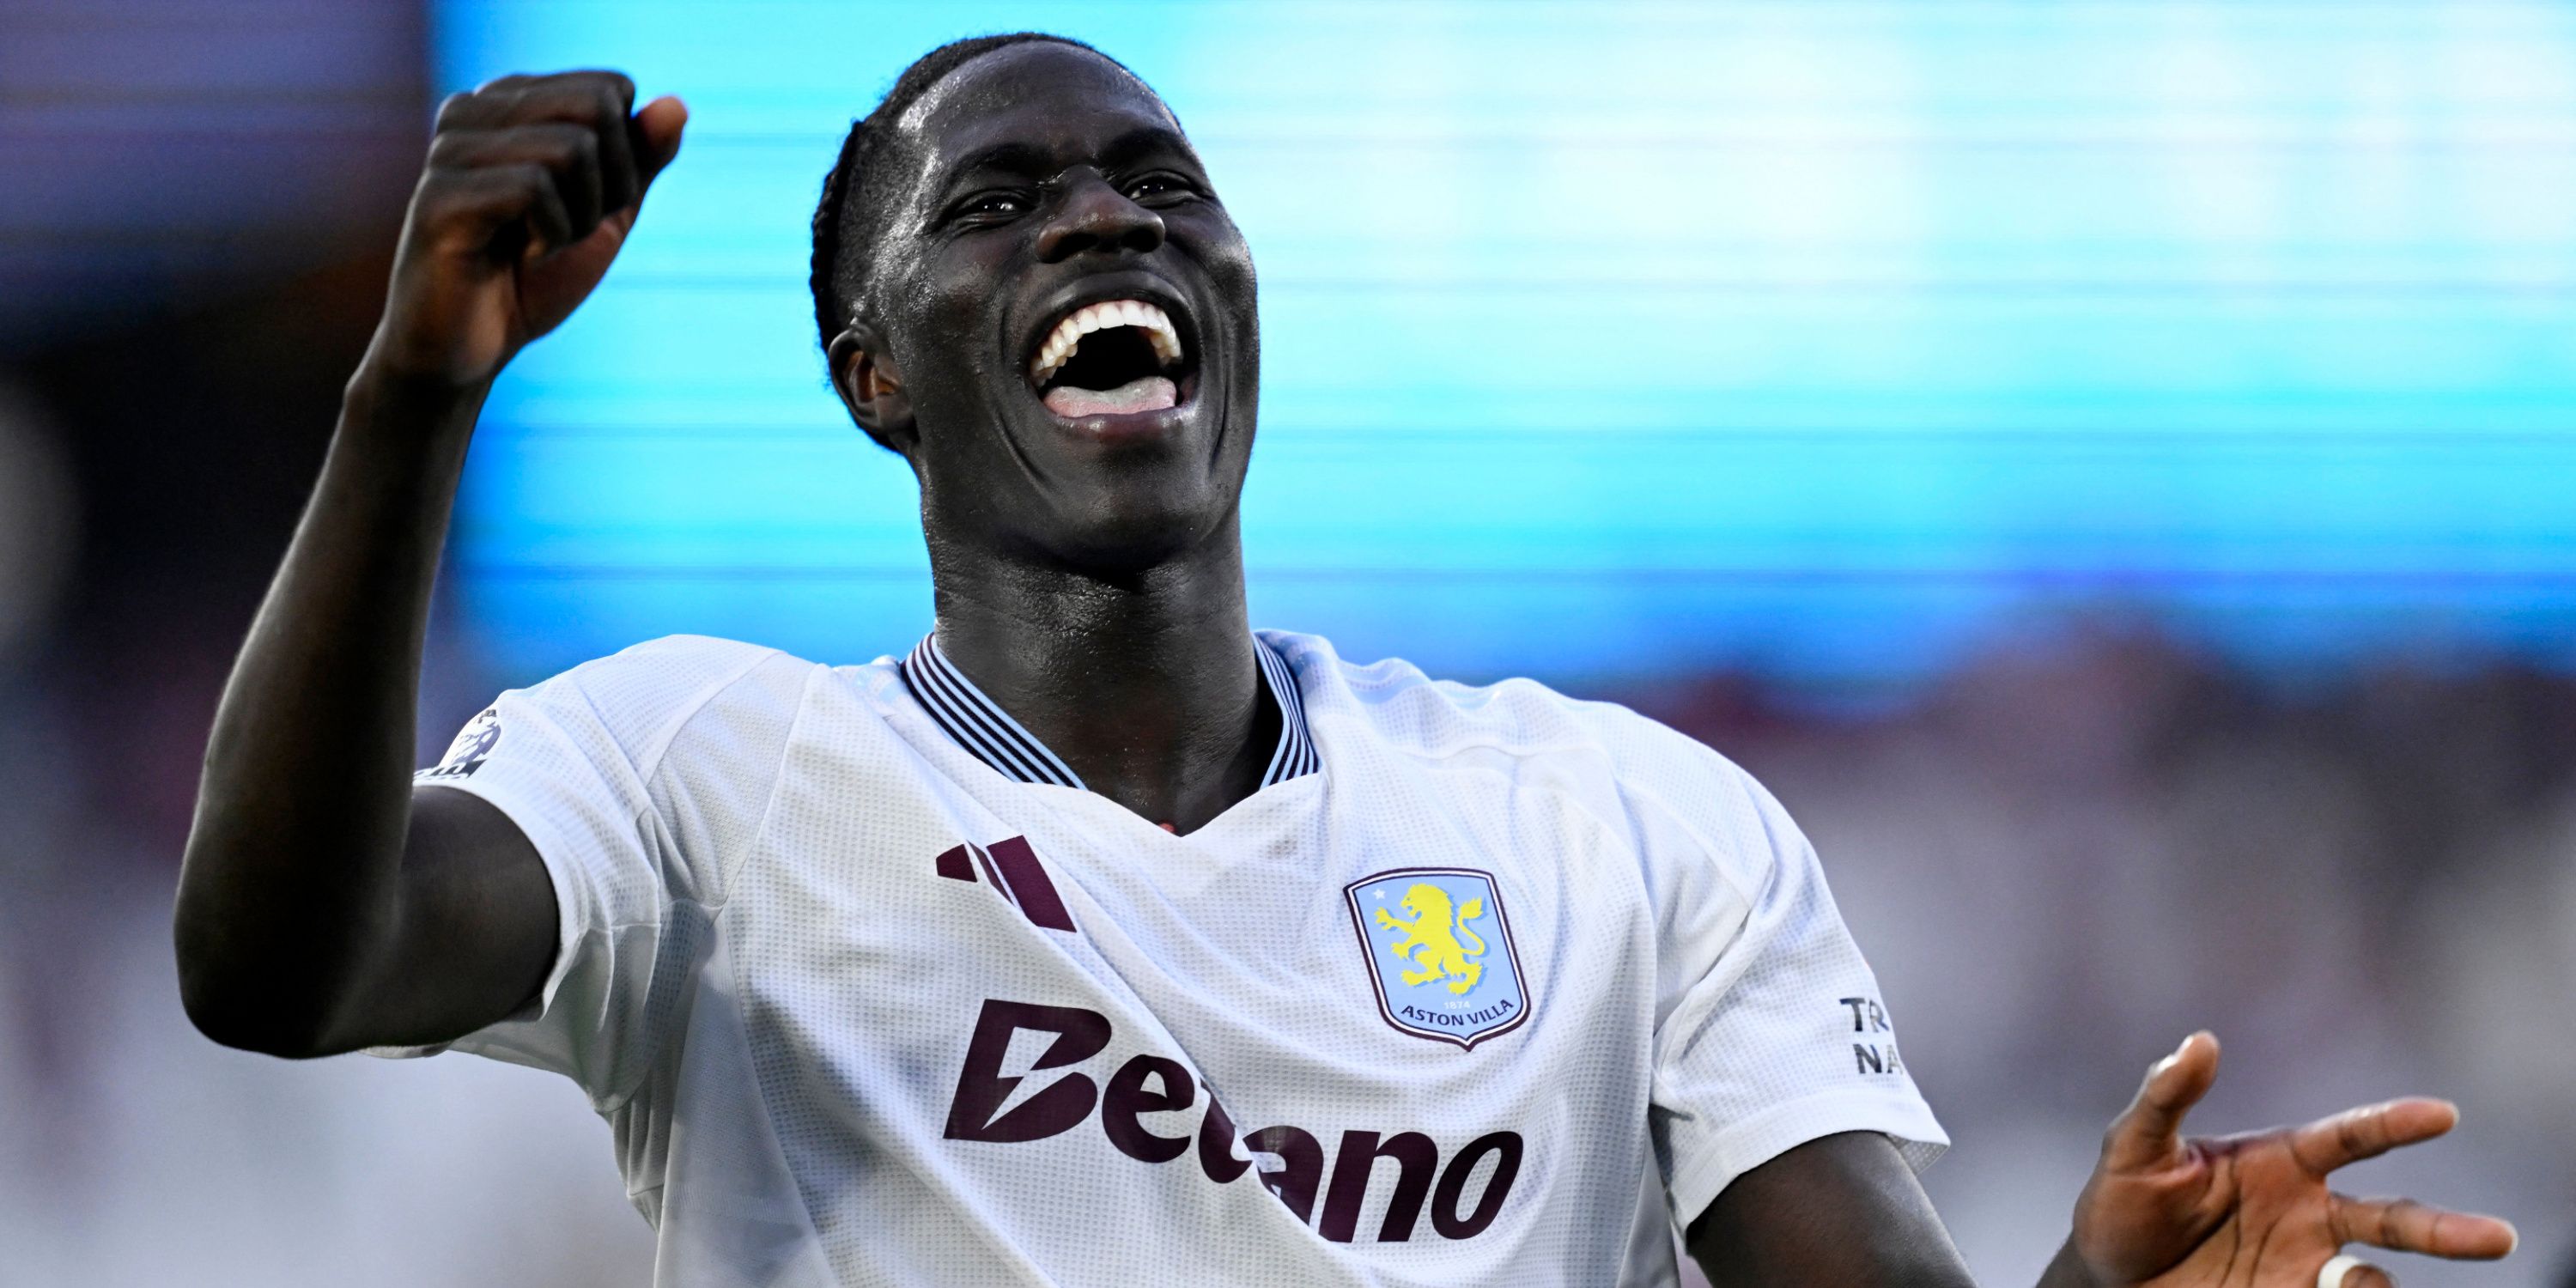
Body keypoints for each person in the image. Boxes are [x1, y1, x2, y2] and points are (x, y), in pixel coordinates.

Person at [172, 33, 2517, 1288]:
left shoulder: (1610, 820)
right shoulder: (698, 772)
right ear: (878, 373)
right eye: (999, 204)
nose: (1107, 213)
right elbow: (284, 959)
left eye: (1163, 189)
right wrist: (408, 401)